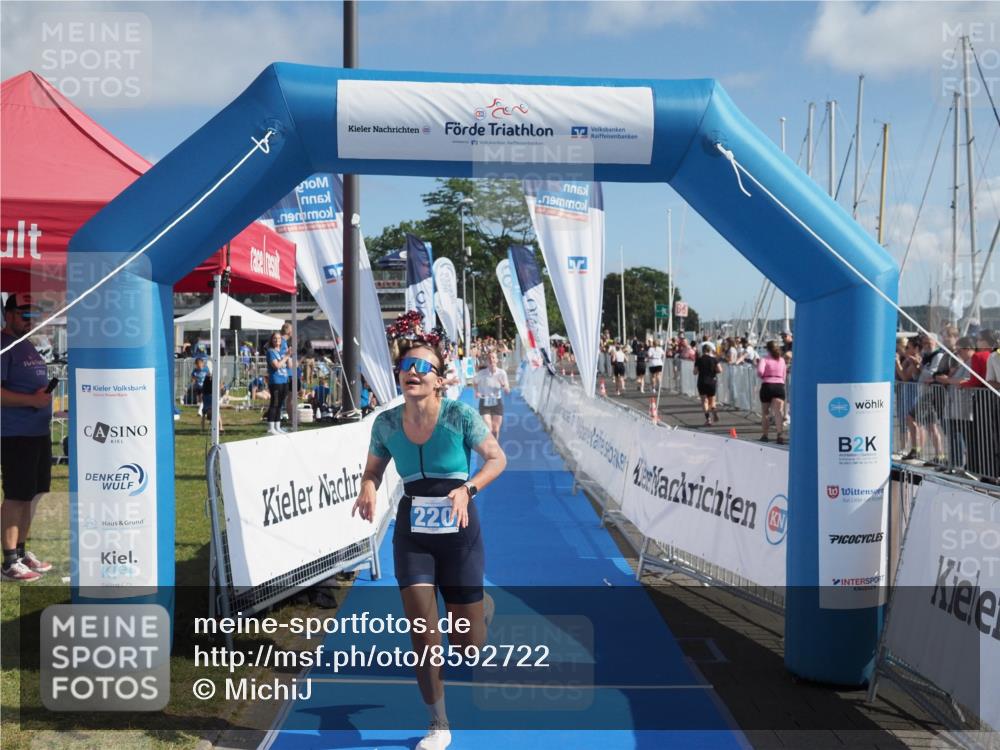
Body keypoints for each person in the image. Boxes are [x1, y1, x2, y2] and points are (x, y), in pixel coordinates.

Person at [352, 327, 506, 750]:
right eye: (406, 365)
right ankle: (438, 724)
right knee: (422, 631)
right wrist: (368, 485)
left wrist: (468, 488)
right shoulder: (385, 423)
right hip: (413, 534)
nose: (413, 371)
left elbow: (497, 458)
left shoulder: (460, 416)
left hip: (459, 531)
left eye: (423, 366)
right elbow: (373, 470)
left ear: (440, 378)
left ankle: (482, 608)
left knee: (468, 646)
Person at [1, 294, 54, 581]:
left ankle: (21, 553)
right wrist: (30, 401)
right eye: (24, 314)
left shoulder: (27, 345)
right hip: (15, 433)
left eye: (34, 315)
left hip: (38, 432)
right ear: (8, 314)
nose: (30, 320)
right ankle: (9, 561)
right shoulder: (3, 345)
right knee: (17, 495)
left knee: (33, 495)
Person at [474, 351, 511, 440]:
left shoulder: (502, 373)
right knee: (488, 428)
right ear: (487, 361)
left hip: (497, 402)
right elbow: (475, 382)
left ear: (497, 360)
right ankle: (489, 448)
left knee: (495, 429)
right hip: (484, 402)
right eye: (489, 358)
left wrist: (503, 385)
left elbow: (507, 390)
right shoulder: (482, 373)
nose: (491, 360)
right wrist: (477, 391)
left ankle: (495, 448)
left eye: (493, 358)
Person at [756, 340, 787, 444]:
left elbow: (760, 371)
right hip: (779, 386)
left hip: (767, 385)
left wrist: (764, 376)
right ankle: (780, 435)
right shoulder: (782, 360)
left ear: (767, 349)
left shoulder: (764, 359)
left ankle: (765, 435)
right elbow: (784, 374)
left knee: (765, 413)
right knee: (779, 413)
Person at [266, 331, 292, 435]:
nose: (277, 340)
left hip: (284, 380)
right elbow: (276, 366)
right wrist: (286, 357)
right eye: (275, 338)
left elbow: (289, 366)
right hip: (275, 381)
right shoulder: (270, 351)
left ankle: (277, 426)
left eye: (279, 338)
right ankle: (270, 427)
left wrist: (289, 355)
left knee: (280, 404)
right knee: (274, 403)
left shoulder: (282, 351)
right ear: (272, 340)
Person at [693, 343, 722, 426]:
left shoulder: (699, 360)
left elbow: (695, 372)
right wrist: (713, 371)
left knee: (704, 401)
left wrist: (700, 370)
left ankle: (708, 419)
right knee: (712, 400)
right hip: (712, 381)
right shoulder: (714, 359)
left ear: (702, 351)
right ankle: (713, 408)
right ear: (710, 350)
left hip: (702, 381)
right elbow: (720, 370)